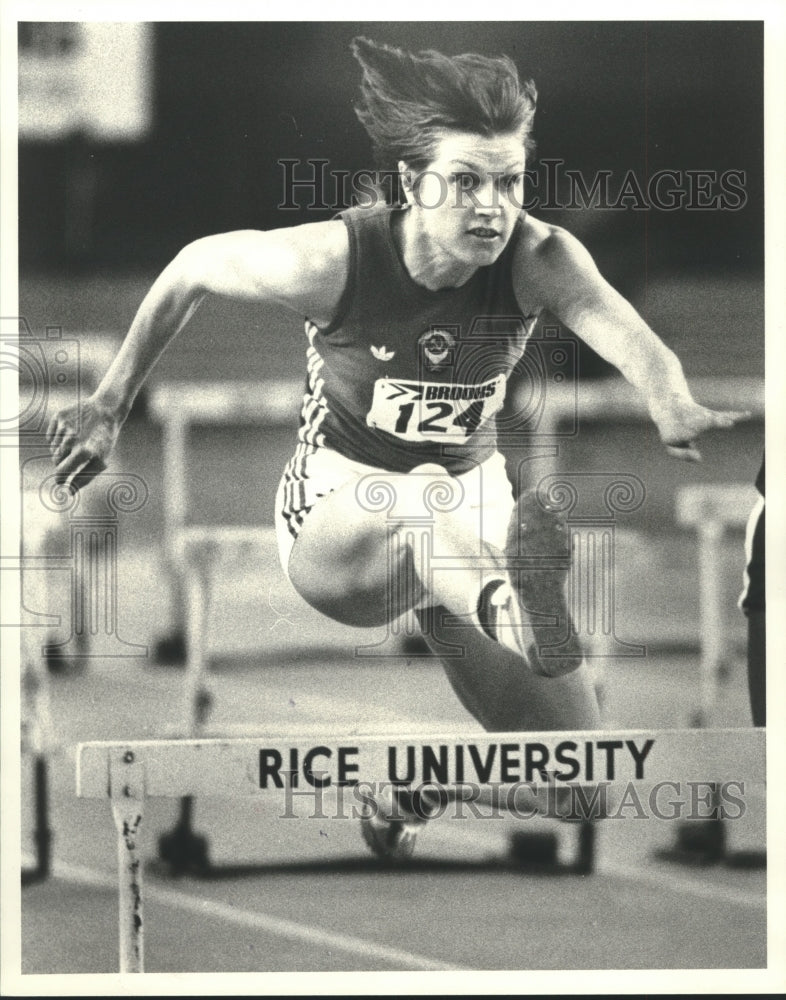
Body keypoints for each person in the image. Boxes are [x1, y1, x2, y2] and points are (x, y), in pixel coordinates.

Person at [45, 37, 748, 858]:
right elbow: (191, 267)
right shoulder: (333, 260)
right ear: (413, 184)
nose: (493, 207)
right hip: (339, 520)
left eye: (510, 182)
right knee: (420, 493)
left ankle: (421, 783)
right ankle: (519, 611)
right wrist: (108, 401)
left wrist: (671, 402)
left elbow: (629, 337)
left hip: (470, 523)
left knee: (582, 782)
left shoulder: (537, 255)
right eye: (467, 183)